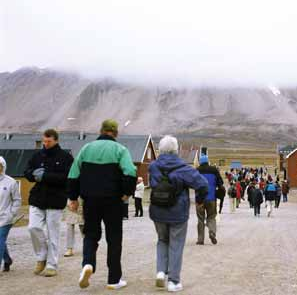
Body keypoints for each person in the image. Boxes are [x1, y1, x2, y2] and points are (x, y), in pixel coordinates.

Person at [68, 120, 137, 290]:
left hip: (90, 199)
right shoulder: (120, 150)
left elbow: (73, 174)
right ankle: (114, 280)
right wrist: (126, 193)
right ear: (116, 133)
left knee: (91, 234)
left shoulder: (86, 148)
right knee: (114, 238)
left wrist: (73, 198)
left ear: (101, 131)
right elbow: (130, 172)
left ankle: (88, 264)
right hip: (113, 200)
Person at [149, 135, 208, 292]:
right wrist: (200, 200)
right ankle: (173, 281)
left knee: (162, 240)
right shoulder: (184, 168)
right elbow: (203, 184)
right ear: (176, 150)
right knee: (176, 244)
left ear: (160, 150)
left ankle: (161, 271)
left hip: (157, 210)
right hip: (178, 212)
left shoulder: (153, 166)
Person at [25, 129, 74, 277]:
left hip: (56, 199)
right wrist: (33, 175)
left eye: (48, 141)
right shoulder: (37, 156)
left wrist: (45, 176)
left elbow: (66, 178)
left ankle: (52, 265)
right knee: (33, 227)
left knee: (53, 234)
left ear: (56, 140)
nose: (45, 144)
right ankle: (41, 257)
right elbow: (26, 171)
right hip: (37, 198)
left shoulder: (66, 157)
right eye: (44, 141)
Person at [0, 156, 21, 272]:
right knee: (0, 241)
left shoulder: (11, 182)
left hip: (5, 218)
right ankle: (7, 260)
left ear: (3, 167)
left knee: (0, 239)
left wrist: (11, 214)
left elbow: (17, 200)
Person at [196, 155, 224, 245]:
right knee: (211, 217)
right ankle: (212, 232)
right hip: (211, 198)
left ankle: (200, 239)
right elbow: (220, 183)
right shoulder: (214, 170)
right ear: (208, 161)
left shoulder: (197, 170)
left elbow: (192, 183)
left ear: (200, 162)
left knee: (200, 219)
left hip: (200, 198)